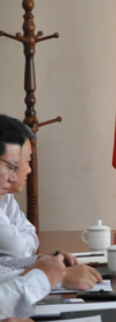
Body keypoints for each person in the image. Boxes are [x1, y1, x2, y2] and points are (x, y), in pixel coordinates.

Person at [0, 115, 102, 291]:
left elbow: (23, 244)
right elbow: (17, 251)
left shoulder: (5, 197)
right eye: (12, 166)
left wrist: (41, 262)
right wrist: (54, 278)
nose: (17, 175)